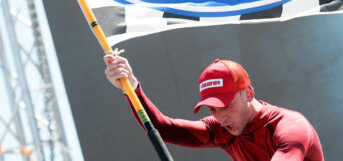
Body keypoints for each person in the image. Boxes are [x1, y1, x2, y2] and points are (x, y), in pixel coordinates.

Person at [104, 55, 324, 161]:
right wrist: (131, 87)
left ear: (248, 93)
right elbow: (162, 129)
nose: (220, 117)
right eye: (212, 109)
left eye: (225, 105)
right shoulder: (222, 129)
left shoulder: (291, 126)